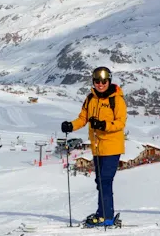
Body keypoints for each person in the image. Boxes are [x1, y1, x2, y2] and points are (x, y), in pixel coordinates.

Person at [61, 66, 127, 227]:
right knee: (100, 181)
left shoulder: (116, 99)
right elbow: (83, 118)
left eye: (103, 81)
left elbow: (120, 122)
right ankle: (102, 212)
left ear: (109, 81)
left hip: (112, 146)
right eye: (97, 81)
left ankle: (107, 216)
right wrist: (71, 125)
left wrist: (103, 125)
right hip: (97, 148)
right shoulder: (90, 98)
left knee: (105, 180)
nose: (100, 84)